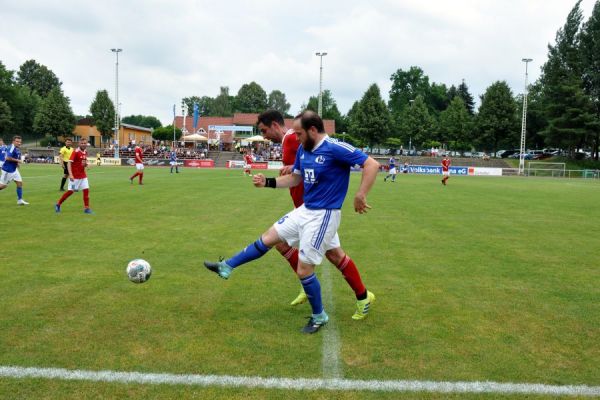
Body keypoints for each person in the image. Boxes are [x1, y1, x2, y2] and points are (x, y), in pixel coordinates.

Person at [204, 111, 379, 333]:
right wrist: (267, 182)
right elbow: (295, 178)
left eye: (298, 134)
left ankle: (319, 316)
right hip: (305, 210)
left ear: (313, 130)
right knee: (270, 238)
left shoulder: (335, 147)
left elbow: (371, 164)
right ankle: (227, 266)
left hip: (324, 214)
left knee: (305, 270)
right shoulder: (304, 151)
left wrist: (360, 195)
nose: (295, 138)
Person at [257, 109, 373, 311]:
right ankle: (361, 296)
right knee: (332, 255)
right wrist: (290, 169)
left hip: (318, 211)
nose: (264, 136)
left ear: (275, 125)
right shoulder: (295, 142)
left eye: (264, 130)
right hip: (307, 210)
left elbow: (366, 162)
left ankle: (356, 296)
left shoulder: (297, 139)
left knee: (322, 255)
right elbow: (301, 169)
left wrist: (360, 194)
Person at [55, 137, 92, 214]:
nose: (83, 144)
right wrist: (71, 175)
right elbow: (69, 163)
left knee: (86, 191)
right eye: (82, 143)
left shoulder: (85, 152)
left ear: (86, 144)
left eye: (85, 143)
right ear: (79, 144)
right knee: (71, 192)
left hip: (83, 176)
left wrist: (86, 165)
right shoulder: (75, 152)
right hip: (75, 177)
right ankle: (58, 204)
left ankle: (87, 208)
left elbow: (82, 162)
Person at [0, 135, 29, 205]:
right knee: (2, 186)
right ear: (13, 141)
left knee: (19, 183)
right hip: (8, 170)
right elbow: (7, 158)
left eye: (20, 142)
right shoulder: (11, 147)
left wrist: (17, 163)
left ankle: (20, 200)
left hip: (14, 170)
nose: (19, 143)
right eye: (17, 141)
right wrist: (18, 161)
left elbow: (13, 158)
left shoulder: (16, 148)